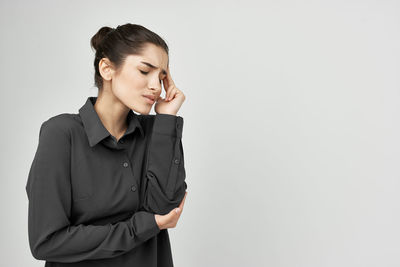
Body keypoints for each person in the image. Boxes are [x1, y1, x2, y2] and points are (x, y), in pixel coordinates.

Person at [25, 23, 188, 267]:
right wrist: (140, 227)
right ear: (107, 69)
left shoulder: (158, 132)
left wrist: (167, 118)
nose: (156, 86)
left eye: (162, 76)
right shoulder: (61, 134)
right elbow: (46, 241)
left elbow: (165, 210)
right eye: (145, 71)